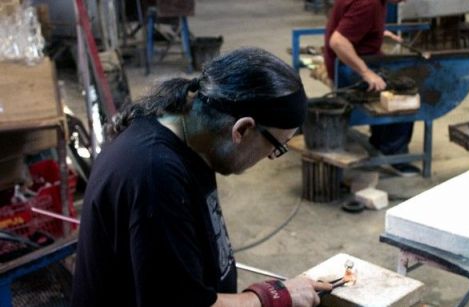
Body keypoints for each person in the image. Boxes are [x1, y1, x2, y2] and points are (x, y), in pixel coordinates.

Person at [72, 47, 332, 307]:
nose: (271, 156)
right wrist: (271, 298)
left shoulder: (192, 138)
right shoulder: (154, 175)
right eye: (278, 146)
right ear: (241, 129)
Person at [324, 0, 421, 176]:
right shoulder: (368, 4)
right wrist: (366, 72)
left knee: (393, 79)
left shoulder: (375, 3)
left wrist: (379, 32)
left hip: (350, 61)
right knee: (405, 95)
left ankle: (380, 142)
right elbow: (338, 42)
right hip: (346, 69)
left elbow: (354, 23)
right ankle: (392, 155)